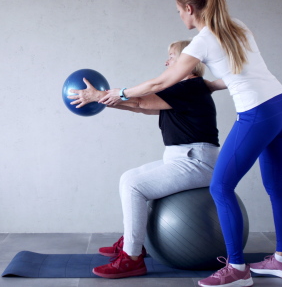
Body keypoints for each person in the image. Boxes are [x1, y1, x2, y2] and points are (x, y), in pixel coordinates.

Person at [98, 0, 282, 287]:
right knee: (276, 185)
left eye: (179, 11)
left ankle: (237, 269)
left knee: (220, 187)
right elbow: (235, 73)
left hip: (257, 114)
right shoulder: (236, 26)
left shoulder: (201, 42)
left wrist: (119, 91)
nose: (180, 16)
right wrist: (211, 85)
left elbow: (158, 84)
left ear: (189, 9)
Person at [68, 40, 220, 279]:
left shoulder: (190, 87)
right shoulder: (183, 90)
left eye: (171, 56)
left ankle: (132, 258)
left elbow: (139, 101)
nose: (166, 61)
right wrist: (100, 100)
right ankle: (133, 242)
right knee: (129, 177)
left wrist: (100, 95)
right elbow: (140, 108)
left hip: (197, 161)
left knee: (133, 186)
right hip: (184, 158)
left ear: (187, 62)